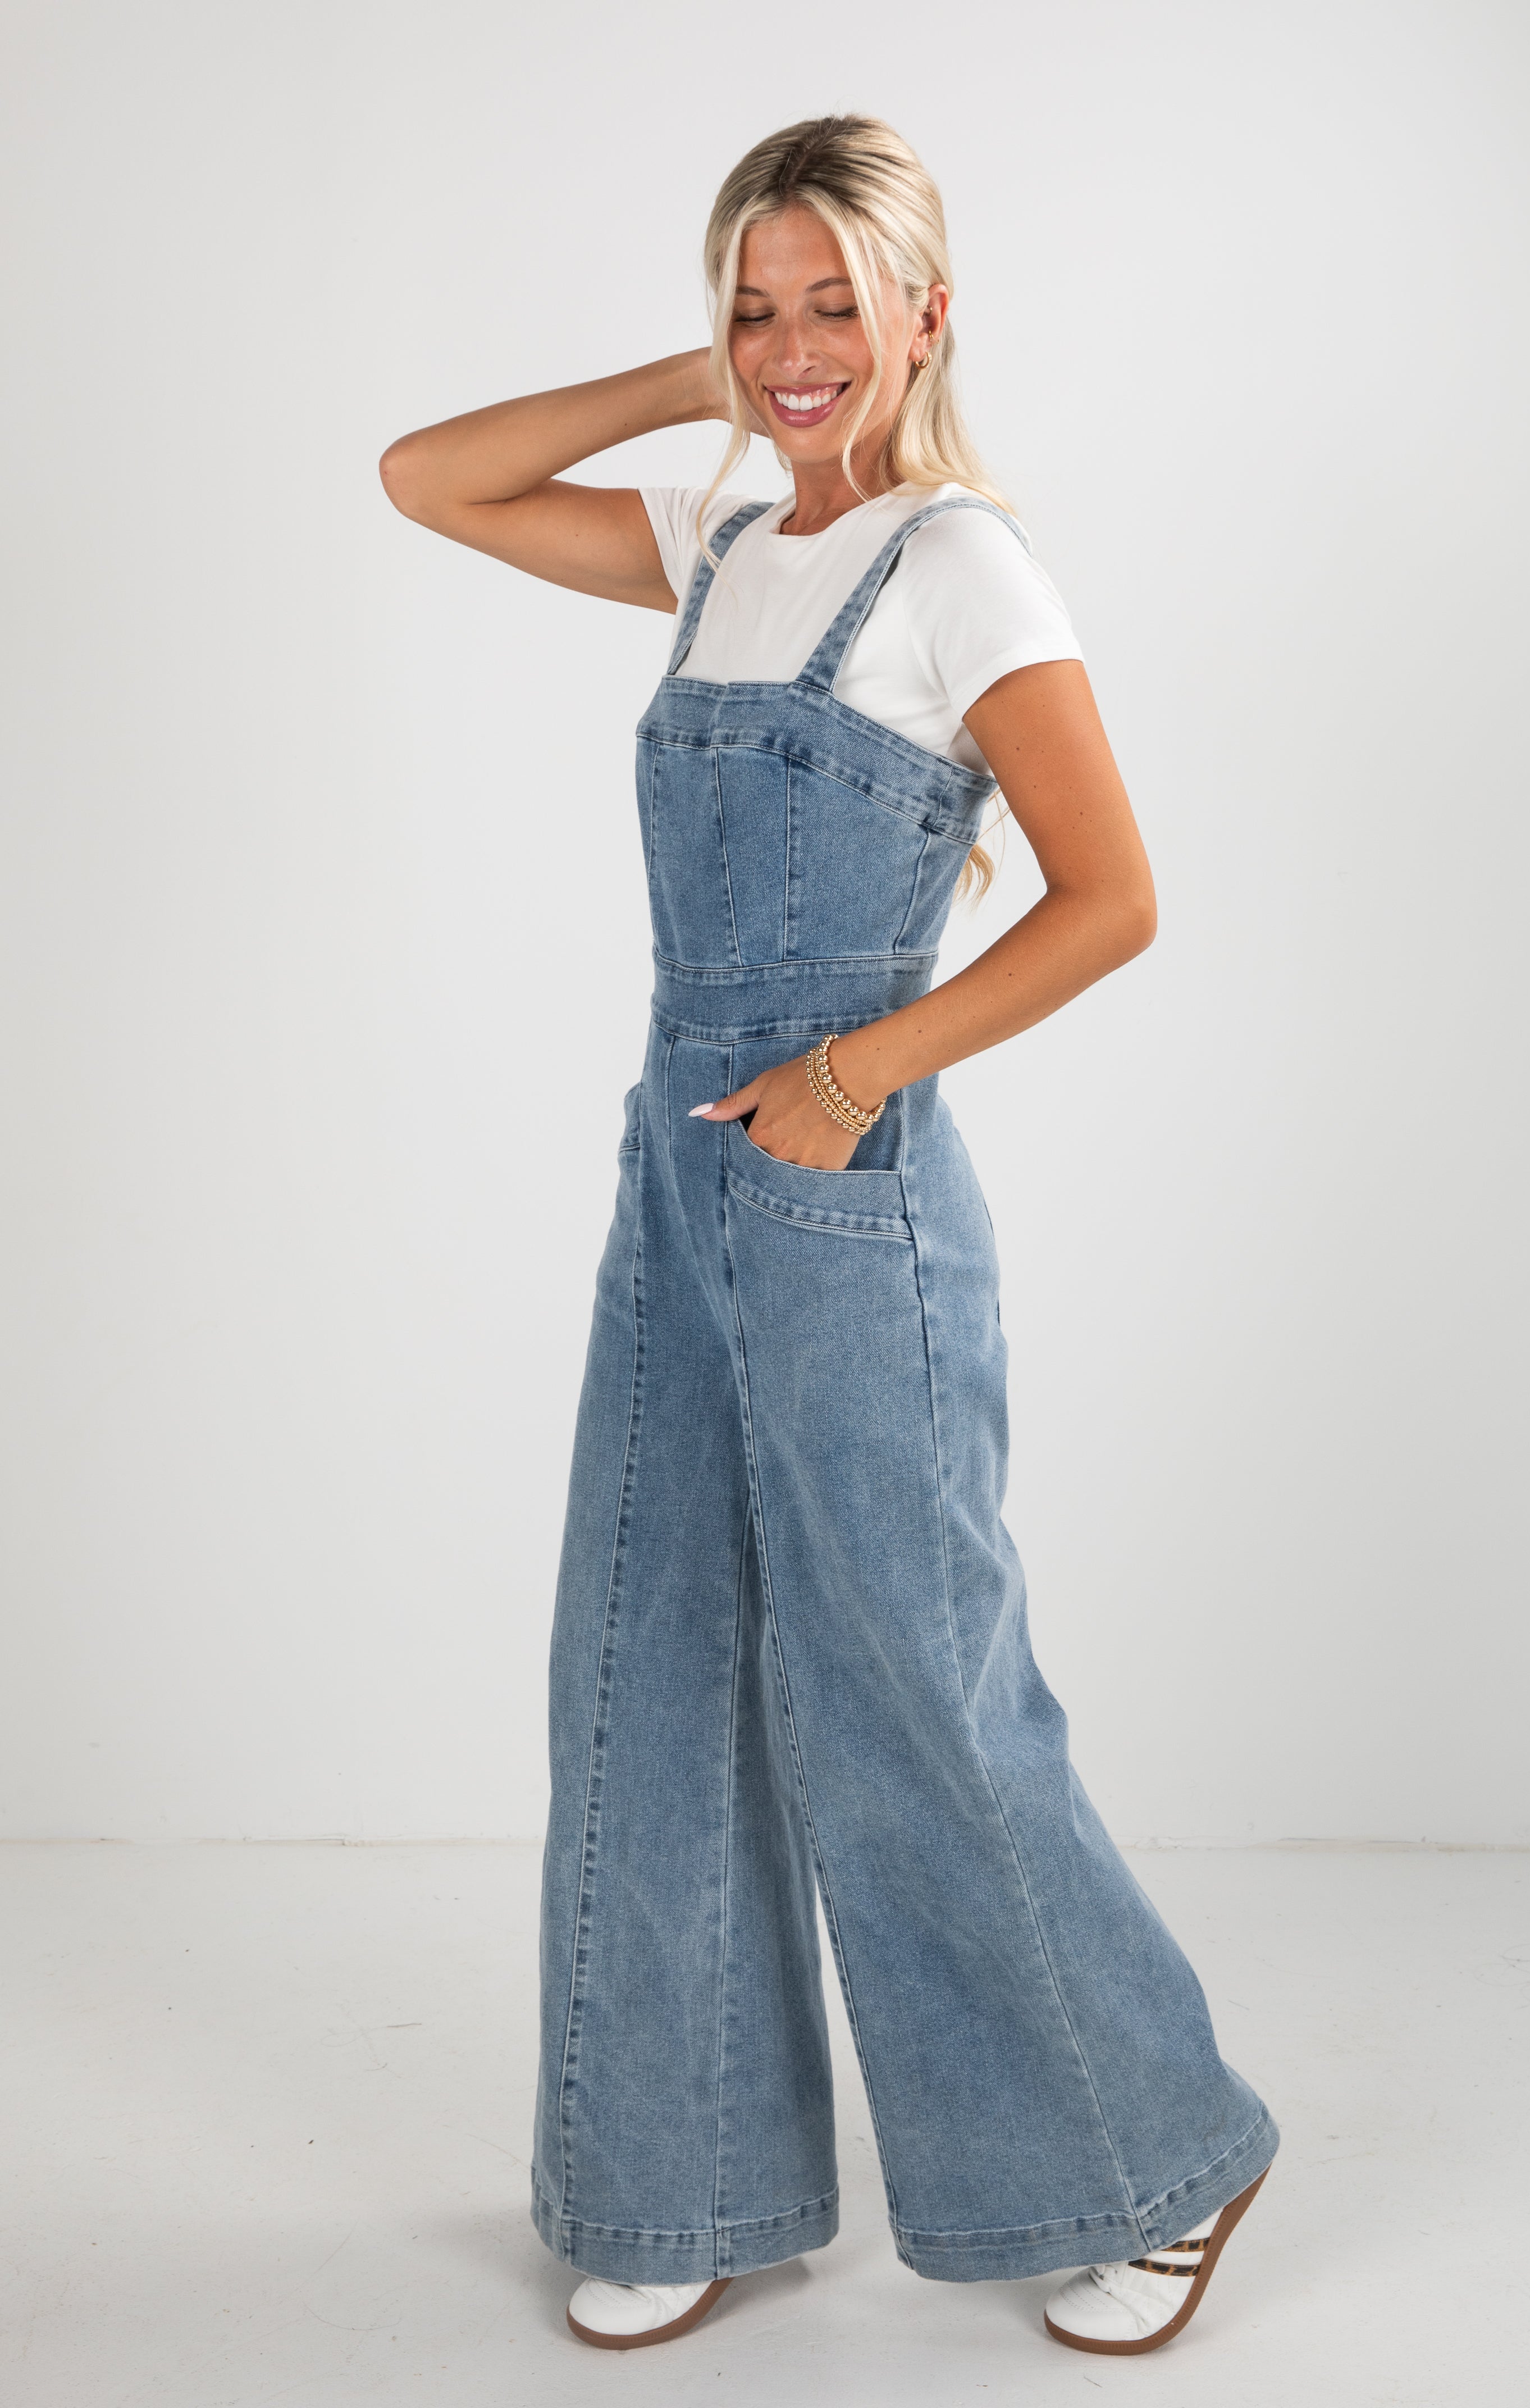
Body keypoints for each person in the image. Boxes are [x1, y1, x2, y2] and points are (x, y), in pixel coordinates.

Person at [380, 113, 1277, 2360]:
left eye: (829, 304)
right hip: (671, 1188)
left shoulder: (965, 570)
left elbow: (1114, 899)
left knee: (913, 1696)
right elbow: (429, 476)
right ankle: (684, 2174)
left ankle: (1154, 2151)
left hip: (848, 1201)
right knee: (644, 1663)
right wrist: (688, 388)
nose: (792, 347)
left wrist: (861, 1071)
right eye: (754, 304)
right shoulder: (717, 534)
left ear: (923, 309)